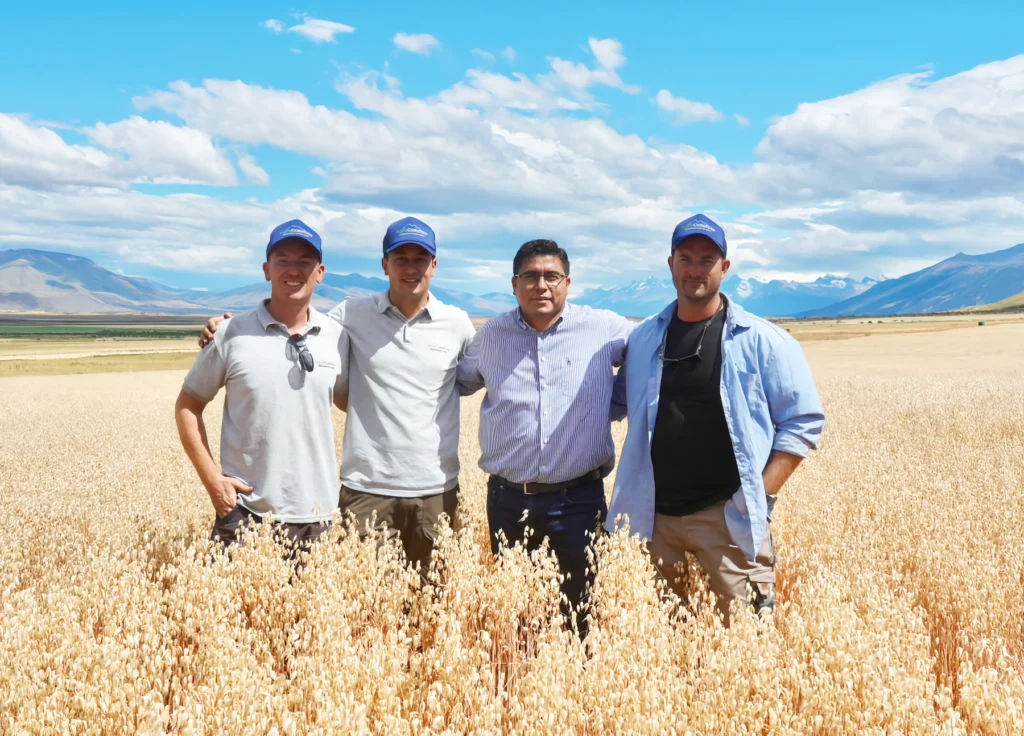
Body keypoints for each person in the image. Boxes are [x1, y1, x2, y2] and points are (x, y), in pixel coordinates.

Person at [200, 217, 475, 572]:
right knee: (366, 609)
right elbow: (295, 320)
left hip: (437, 490)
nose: (410, 267)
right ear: (384, 265)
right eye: (400, 258)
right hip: (365, 491)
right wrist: (220, 329)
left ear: (434, 266)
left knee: (435, 601)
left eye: (420, 258)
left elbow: (479, 376)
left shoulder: (458, 325)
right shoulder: (351, 315)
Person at [607, 213, 825, 625]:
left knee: (746, 643)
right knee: (658, 645)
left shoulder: (763, 340)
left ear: (725, 268)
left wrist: (759, 496)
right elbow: (612, 402)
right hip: (652, 520)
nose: (695, 269)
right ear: (670, 264)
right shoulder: (644, 338)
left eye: (707, 259)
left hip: (729, 520)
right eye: (685, 257)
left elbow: (803, 421)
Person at [457, 239, 634, 633]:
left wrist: (612, 403)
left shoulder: (604, 328)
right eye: (531, 277)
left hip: (579, 500)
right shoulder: (489, 337)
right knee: (517, 614)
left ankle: (579, 685)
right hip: (508, 500)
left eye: (551, 276)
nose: (542, 285)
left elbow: (650, 351)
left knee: (581, 610)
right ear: (514, 283)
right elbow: (458, 382)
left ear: (567, 283)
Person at [176, 219, 348, 548]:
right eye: (283, 260)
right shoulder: (230, 334)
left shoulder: (338, 337)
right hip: (245, 516)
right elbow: (187, 405)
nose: (294, 271)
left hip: (320, 516)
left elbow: (354, 403)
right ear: (267, 269)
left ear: (320, 271)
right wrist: (213, 482)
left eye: (304, 262)